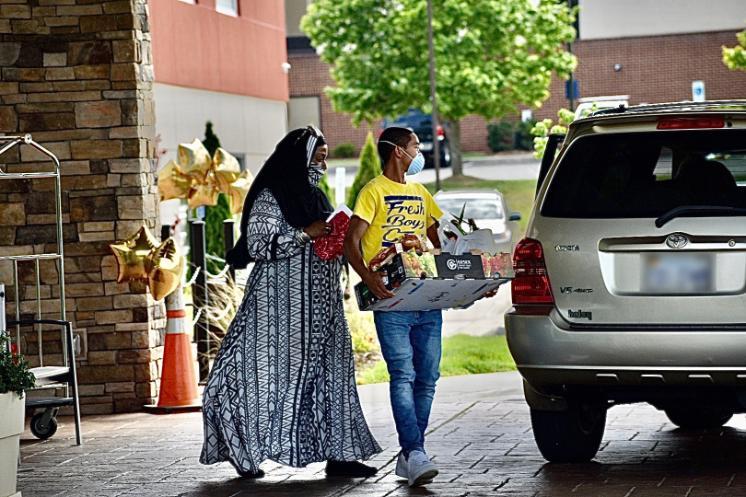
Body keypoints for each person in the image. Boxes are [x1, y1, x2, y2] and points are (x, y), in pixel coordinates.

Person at [201, 126, 381, 478]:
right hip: (276, 310)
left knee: (333, 376)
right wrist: (304, 232)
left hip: (322, 310)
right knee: (254, 375)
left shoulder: (315, 196)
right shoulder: (272, 195)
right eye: (317, 157)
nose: (322, 165)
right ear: (298, 158)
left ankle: (340, 456)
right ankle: (245, 453)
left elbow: (327, 237)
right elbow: (258, 245)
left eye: (326, 158)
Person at [344, 126, 444, 487]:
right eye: (415, 146)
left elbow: (440, 241)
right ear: (398, 151)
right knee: (403, 375)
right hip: (392, 301)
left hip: (427, 299)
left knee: (428, 377)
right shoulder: (373, 192)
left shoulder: (420, 192)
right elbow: (351, 241)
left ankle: (410, 455)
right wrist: (368, 278)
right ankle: (415, 451)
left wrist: (468, 279)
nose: (420, 152)